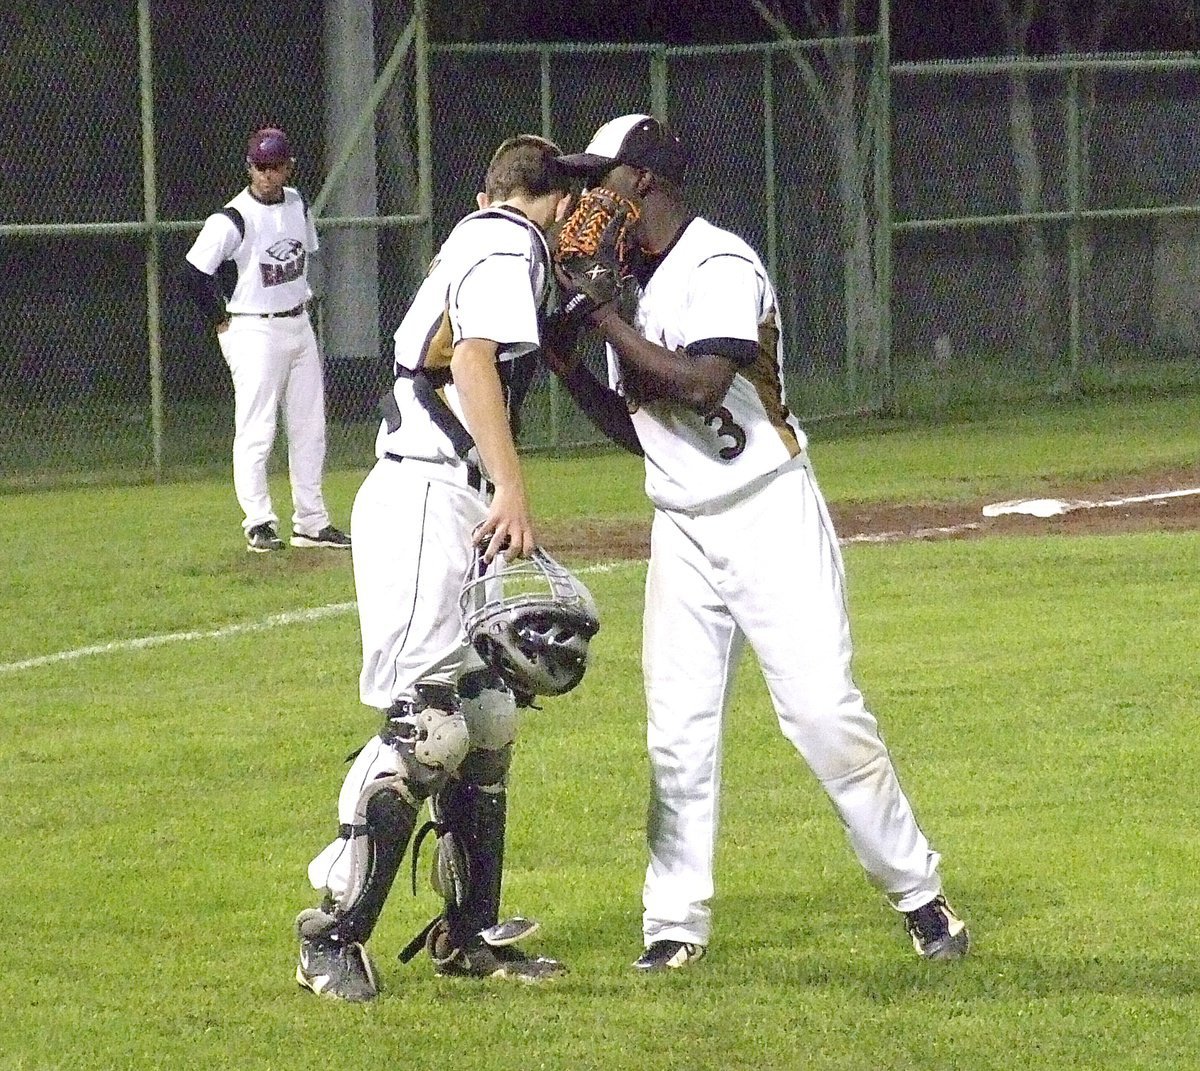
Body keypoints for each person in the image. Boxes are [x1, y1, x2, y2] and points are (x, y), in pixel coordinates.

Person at [551, 114, 970, 971]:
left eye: (606, 180)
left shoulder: (720, 263)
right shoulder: (633, 288)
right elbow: (650, 432)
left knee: (823, 714)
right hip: (683, 527)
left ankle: (922, 897)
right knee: (677, 733)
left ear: (649, 184)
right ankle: (673, 927)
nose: (593, 200)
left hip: (768, 512)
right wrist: (569, 365)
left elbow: (704, 385)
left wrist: (597, 318)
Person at [293, 134, 576, 1002]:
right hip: (425, 499)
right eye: (573, 203)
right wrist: (514, 489)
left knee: (488, 717)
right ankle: (330, 937)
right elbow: (473, 360)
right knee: (430, 728)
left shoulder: (488, 241)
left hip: (447, 496)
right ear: (546, 197)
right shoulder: (504, 240)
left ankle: (468, 932)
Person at [183, 126, 350, 553]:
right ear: (249, 166)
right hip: (253, 327)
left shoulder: (297, 203)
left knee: (309, 426)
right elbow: (193, 272)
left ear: (288, 167)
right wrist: (220, 320)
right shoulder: (232, 218)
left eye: (275, 166)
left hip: (298, 323)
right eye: (260, 166)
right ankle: (258, 521)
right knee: (257, 429)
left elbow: (306, 254)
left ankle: (311, 521)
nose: (267, 174)